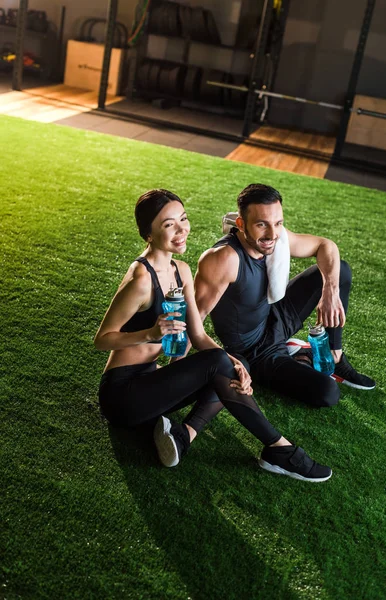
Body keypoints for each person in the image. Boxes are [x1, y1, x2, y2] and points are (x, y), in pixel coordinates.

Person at [94, 188, 332, 482]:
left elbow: (198, 334)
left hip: (151, 383)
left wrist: (237, 364)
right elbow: (102, 338)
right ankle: (279, 448)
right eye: (169, 225)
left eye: (183, 219)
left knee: (230, 364)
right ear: (149, 234)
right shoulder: (141, 279)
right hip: (123, 396)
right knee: (218, 363)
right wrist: (151, 333)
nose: (181, 230)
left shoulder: (181, 269)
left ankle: (184, 436)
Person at [194, 183, 375, 409]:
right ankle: (298, 355)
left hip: (275, 314)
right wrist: (180, 366)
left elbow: (325, 245)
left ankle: (334, 356)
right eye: (261, 224)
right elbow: (194, 319)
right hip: (255, 351)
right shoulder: (223, 259)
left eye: (277, 223)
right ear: (241, 224)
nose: (272, 234)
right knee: (327, 393)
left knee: (341, 271)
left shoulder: (276, 236)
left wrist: (330, 290)